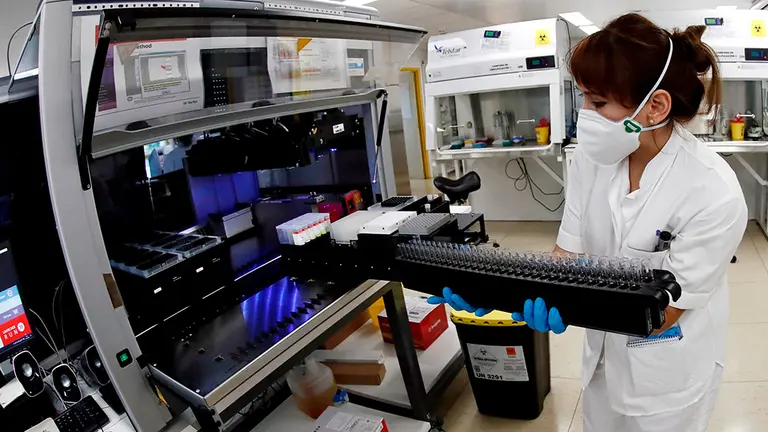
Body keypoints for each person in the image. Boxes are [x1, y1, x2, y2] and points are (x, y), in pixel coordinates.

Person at [429, 13, 747, 432]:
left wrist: (567, 304)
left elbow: (661, 315)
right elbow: (567, 255)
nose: (584, 114)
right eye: (582, 97)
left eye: (597, 103)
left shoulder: (712, 191)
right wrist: (503, 291)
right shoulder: (590, 161)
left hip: (666, 377)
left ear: (654, 106)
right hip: (601, 364)